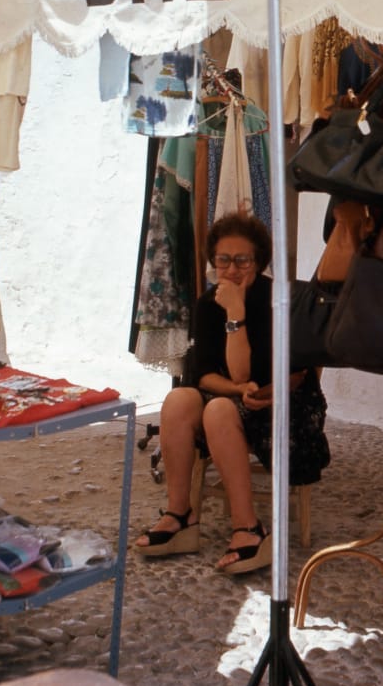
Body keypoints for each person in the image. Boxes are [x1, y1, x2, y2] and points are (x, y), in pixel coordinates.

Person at [135, 211, 330, 574]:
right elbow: (204, 375)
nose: (232, 269)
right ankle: (180, 516)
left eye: (243, 260)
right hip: (236, 399)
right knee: (180, 399)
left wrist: (236, 315)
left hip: (285, 401)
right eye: (223, 260)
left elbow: (293, 374)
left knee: (218, 410)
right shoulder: (209, 304)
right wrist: (238, 388)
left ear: (259, 261)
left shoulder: (284, 300)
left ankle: (248, 528)